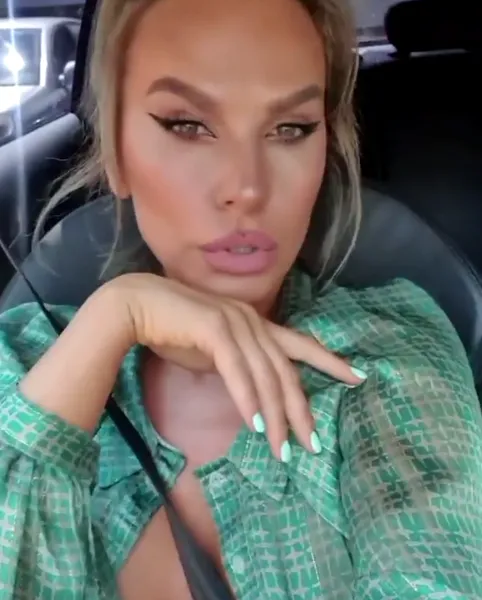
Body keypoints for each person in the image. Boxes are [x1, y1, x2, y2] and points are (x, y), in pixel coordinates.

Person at [0, 0, 481, 597]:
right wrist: (114, 316)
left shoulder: (385, 360)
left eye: (290, 129)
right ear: (116, 153)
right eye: (187, 125)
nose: (247, 188)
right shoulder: (21, 362)